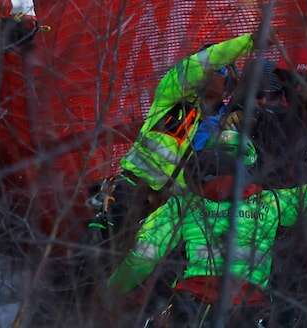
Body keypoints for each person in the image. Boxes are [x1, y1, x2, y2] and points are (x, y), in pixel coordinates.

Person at [107, 130, 307, 327]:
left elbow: (142, 258)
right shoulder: (272, 202)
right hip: (247, 309)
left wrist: (108, 293)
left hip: (190, 307)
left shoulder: (182, 205)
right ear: (250, 166)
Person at [88, 33, 257, 248]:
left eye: (219, 69)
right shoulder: (171, 94)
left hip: (171, 209)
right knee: (99, 252)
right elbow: (198, 64)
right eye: (205, 64)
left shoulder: (228, 123)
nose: (206, 71)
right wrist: (249, 41)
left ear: (229, 84)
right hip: (132, 189)